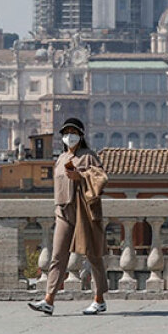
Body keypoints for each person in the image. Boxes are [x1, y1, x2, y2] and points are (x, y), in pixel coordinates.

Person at [28, 117, 108, 316]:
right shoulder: (61, 158)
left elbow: (101, 178)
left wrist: (80, 176)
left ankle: (99, 299)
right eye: (66, 133)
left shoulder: (88, 156)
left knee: (92, 255)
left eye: (73, 132)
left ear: (80, 135)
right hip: (62, 211)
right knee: (57, 256)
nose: (69, 136)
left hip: (83, 211)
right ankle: (49, 299)